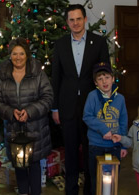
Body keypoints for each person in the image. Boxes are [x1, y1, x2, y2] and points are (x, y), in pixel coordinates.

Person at [51, 3, 110, 195]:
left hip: (91, 109)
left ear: (85, 19)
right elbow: (56, 77)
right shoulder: (60, 44)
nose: (75, 23)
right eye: (71, 20)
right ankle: (71, 190)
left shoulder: (99, 43)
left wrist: (104, 106)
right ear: (67, 22)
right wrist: (55, 108)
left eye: (79, 19)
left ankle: (90, 191)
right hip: (67, 108)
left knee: (90, 152)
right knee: (70, 153)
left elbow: (104, 77)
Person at [0, 37, 53, 195]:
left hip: (36, 128)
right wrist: (11, 112)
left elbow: (48, 97)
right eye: (14, 54)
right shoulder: (3, 73)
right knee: (19, 165)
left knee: (34, 165)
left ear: (27, 55)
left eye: (21, 54)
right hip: (14, 129)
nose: (18, 57)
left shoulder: (37, 71)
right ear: (10, 55)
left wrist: (30, 111)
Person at [82, 62, 128, 195]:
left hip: (115, 146)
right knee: (96, 181)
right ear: (96, 83)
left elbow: (123, 121)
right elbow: (87, 116)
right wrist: (103, 129)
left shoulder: (120, 99)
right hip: (96, 146)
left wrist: (123, 145)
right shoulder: (92, 96)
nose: (104, 82)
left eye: (107, 77)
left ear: (113, 78)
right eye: (100, 79)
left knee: (112, 181)